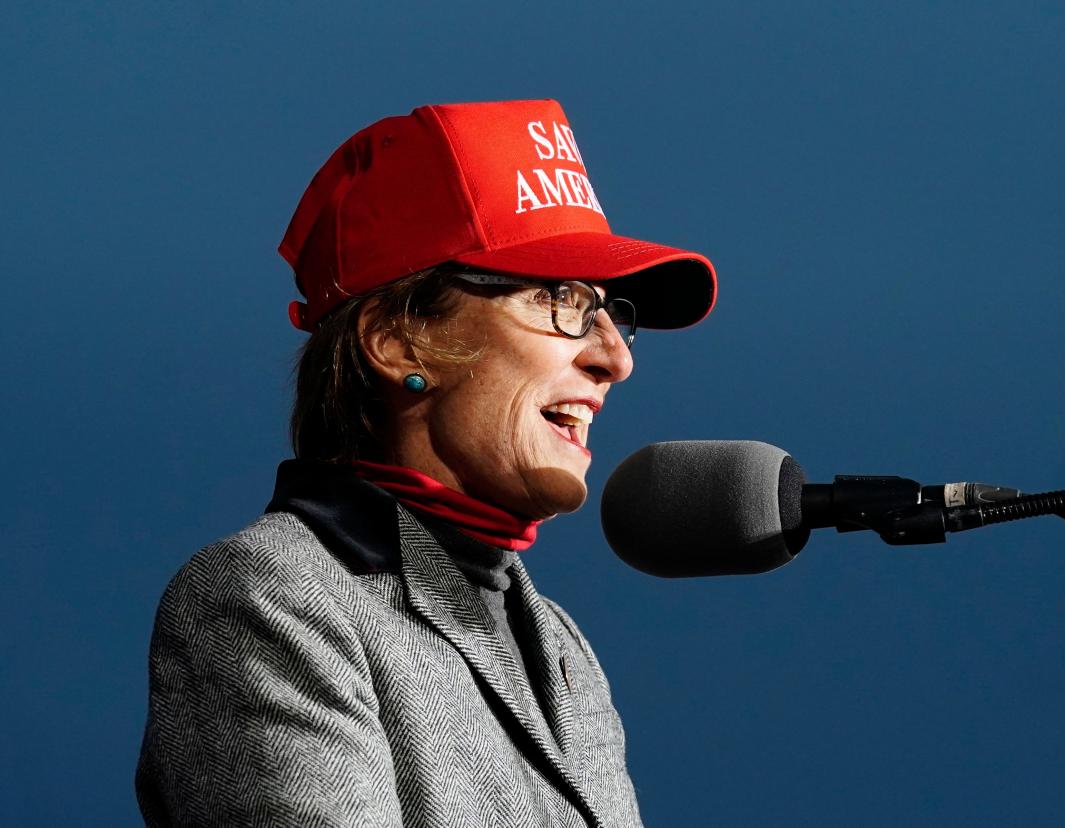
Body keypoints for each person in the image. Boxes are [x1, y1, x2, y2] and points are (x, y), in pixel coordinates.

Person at [135, 98, 717, 827]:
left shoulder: (562, 646)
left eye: (609, 310)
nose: (615, 358)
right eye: (561, 299)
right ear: (399, 340)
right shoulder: (271, 599)